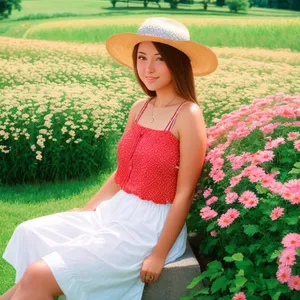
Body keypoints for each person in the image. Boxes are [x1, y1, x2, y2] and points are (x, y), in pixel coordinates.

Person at [1, 17, 218, 300]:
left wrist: (158, 254)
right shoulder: (140, 108)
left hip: (149, 228)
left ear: (177, 63)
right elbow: (122, 174)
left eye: (159, 59)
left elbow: (184, 192)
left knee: (38, 274)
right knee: (30, 231)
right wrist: (88, 209)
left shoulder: (188, 114)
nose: (147, 68)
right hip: (117, 211)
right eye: (141, 57)